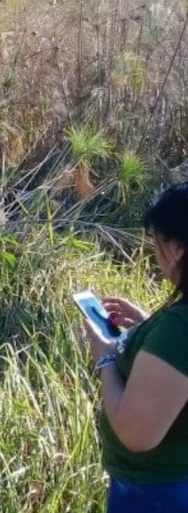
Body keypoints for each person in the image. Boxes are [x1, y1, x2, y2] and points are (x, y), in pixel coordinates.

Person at [84, 181, 188, 512]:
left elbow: (136, 434)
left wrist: (106, 358)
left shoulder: (179, 328)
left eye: (156, 242)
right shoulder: (175, 327)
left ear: (176, 249)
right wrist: (146, 327)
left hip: (155, 493)